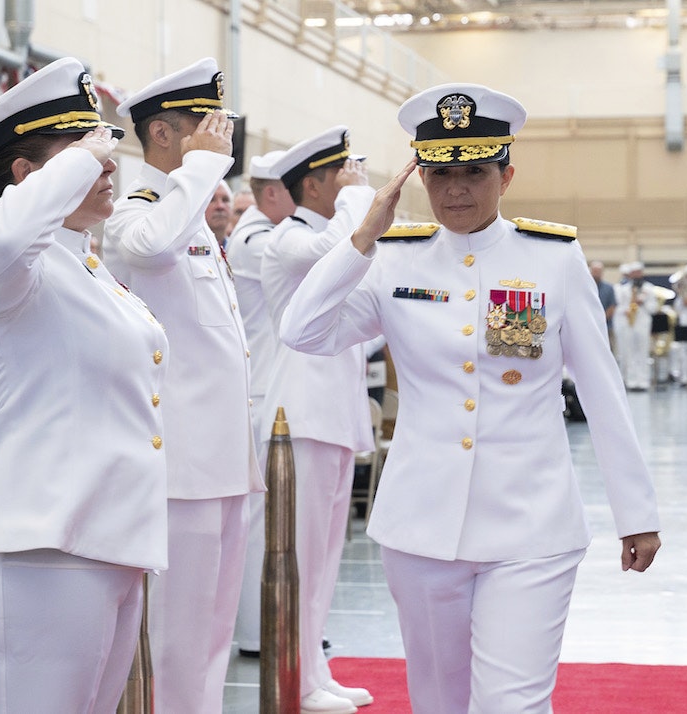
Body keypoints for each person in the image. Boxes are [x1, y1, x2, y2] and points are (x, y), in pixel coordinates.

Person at [279, 82, 661, 713]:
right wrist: (361, 240)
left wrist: (636, 513)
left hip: (531, 523)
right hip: (421, 526)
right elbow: (303, 331)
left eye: (474, 172)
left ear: (506, 176)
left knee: (513, 703)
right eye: (439, 174)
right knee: (439, 701)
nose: (455, 189)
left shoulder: (553, 258)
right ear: (420, 178)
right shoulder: (394, 260)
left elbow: (602, 390)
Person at [0, 57, 169, 713]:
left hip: (104, 537)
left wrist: (82, 152)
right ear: (25, 176)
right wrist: (88, 151)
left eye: (108, 151)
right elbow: (7, 234)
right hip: (31, 542)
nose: (109, 166)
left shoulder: (85, 265)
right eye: (87, 153)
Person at [102, 57, 264, 714]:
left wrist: (196, 177)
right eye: (205, 126)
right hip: (176, 470)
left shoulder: (186, 211)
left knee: (211, 637)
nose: (220, 139)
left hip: (222, 461)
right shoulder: (137, 211)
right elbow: (145, 251)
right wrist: (201, 170)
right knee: (172, 642)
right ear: (163, 134)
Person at [258, 126, 376, 714]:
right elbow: (344, 246)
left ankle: (314, 671)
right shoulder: (287, 240)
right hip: (297, 417)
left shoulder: (327, 235)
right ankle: (294, 679)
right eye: (344, 174)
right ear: (313, 184)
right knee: (298, 557)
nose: (355, 181)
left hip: (333, 415)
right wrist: (360, 195)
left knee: (327, 556)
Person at [226, 149, 296, 658]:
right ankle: (255, 631)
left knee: (278, 519)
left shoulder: (263, 234)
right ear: (272, 192)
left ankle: (277, 625)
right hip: (259, 394)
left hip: (271, 390)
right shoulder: (256, 239)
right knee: (259, 523)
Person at [613, 260, 656, 391]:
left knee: (643, 353)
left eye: (638, 272)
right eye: (634, 273)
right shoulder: (623, 289)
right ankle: (631, 381)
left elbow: (653, 308)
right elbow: (618, 306)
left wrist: (643, 302)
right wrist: (625, 310)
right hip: (628, 324)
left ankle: (643, 381)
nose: (636, 275)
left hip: (643, 324)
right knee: (629, 353)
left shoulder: (649, 288)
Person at [205, 179, 234, 248]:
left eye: (225, 200)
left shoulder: (238, 248)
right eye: (212, 200)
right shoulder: (186, 247)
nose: (220, 206)